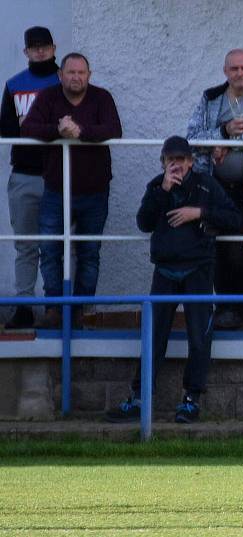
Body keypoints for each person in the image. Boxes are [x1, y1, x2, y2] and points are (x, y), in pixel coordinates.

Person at [105, 136, 240, 423]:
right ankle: (140, 399)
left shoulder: (206, 184)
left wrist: (199, 212)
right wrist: (163, 191)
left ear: (191, 161)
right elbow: (143, 222)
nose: (175, 165)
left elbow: (234, 218)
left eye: (180, 159)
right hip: (165, 270)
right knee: (153, 336)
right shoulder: (156, 186)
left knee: (199, 337)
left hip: (199, 269)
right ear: (163, 163)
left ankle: (191, 401)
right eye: (170, 160)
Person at [21, 52, 122, 329]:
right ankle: (55, 309)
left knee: (89, 252)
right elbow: (28, 127)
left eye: (81, 73)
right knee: (50, 249)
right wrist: (57, 129)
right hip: (55, 188)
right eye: (71, 72)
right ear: (60, 75)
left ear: (89, 75)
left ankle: (79, 312)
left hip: (94, 189)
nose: (76, 77)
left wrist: (79, 131)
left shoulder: (102, 98)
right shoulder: (48, 97)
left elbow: (114, 129)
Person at [187, 49, 243, 330]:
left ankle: (238, 307)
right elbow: (192, 137)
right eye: (235, 68)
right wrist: (223, 132)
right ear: (225, 71)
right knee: (217, 246)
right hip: (213, 186)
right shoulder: (211, 97)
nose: (241, 73)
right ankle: (228, 306)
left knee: (236, 245)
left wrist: (227, 145)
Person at [0, 27, 60, 329]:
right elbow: (6, 129)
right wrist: (41, 126)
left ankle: (55, 307)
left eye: (45, 47)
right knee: (25, 245)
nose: (40, 52)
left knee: (58, 245)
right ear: (26, 52)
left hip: (59, 175)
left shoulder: (66, 80)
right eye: (34, 48)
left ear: (54, 47)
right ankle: (24, 306)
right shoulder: (14, 85)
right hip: (24, 174)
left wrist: (32, 125)